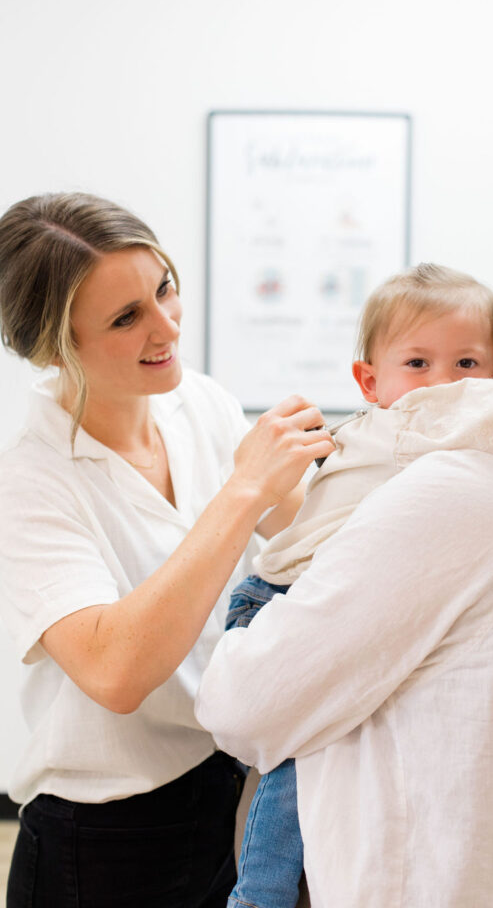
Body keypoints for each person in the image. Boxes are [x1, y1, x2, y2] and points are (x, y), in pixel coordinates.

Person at [197, 249, 493, 908]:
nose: (448, 382)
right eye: (419, 363)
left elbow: (240, 705)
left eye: (467, 360)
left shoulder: (468, 486)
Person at [0, 192, 335, 908]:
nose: (166, 327)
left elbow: (311, 541)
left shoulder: (200, 403)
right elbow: (117, 672)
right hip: (101, 842)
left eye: (164, 289)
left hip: (220, 793)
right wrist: (243, 493)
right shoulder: (31, 479)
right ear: (57, 348)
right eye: (127, 318)